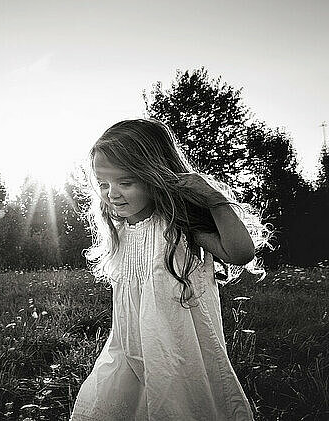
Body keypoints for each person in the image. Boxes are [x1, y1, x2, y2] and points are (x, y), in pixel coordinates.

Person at [69, 119, 273, 421]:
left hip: (179, 355)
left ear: (154, 176)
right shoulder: (121, 232)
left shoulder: (178, 226)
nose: (112, 193)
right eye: (103, 183)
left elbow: (240, 253)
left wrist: (214, 201)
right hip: (129, 354)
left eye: (125, 182)